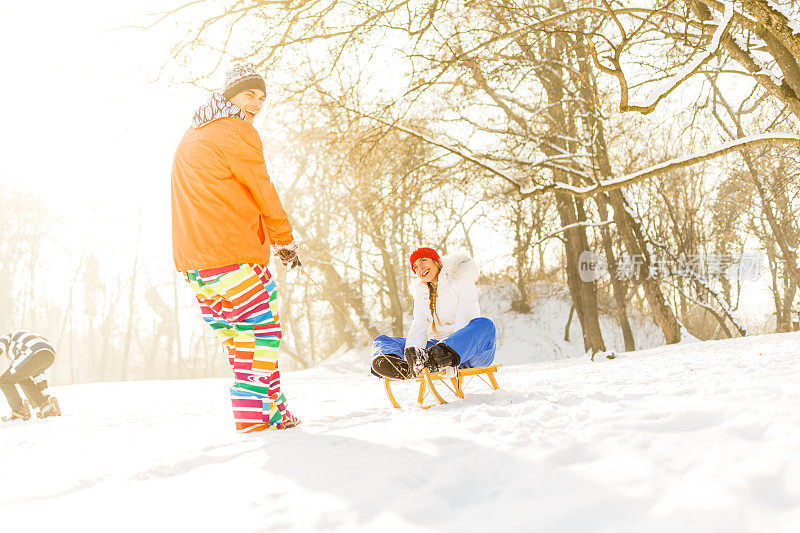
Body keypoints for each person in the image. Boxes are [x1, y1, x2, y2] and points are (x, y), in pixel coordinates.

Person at [172, 63, 301, 433]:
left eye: (262, 98)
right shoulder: (235, 131)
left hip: (197, 263)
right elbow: (262, 189)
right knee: (261, 333)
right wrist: (284, 240)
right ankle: (251, 418)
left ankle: (275, 414)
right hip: (233, 253)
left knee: (242, 338)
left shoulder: (194, 133)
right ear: (230, 95)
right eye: (249, 95)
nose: (257, 104)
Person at [371, 247, 496, 380]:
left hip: (472, 350)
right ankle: (402, 367)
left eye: (423, 260)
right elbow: (419, 325)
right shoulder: (422, 291)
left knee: (485, 325)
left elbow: (466, 314)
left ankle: (443, 357)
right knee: (382, 341)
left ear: (436, 261)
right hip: (436, 355)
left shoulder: (460, 277)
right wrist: (411, 358)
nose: (420, 268)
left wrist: (452, 358)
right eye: (415, 266)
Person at [0, 330, 60, 421]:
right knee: (22, 378)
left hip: (32, 349)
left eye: (4, 356)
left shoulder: (8, 338)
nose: (6, 357)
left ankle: (19, 411)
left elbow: (3, 340)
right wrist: (46, 398)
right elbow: (40, 377)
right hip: (49, 353)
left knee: (4, 380)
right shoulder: (24, 346)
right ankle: (45, 406)